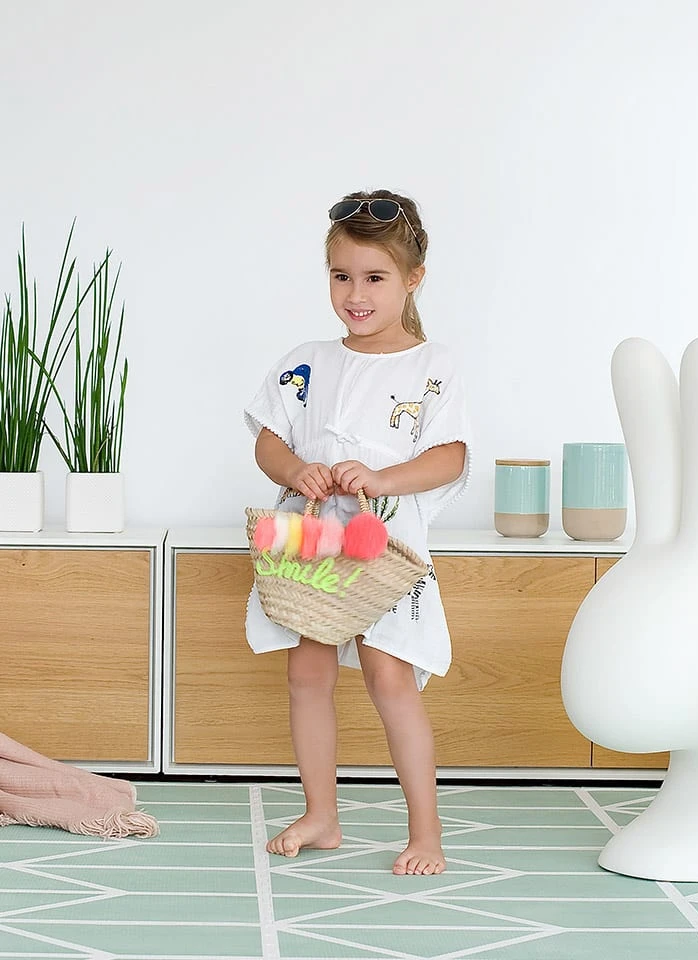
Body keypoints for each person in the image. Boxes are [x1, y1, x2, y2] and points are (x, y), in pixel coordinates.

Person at [244, 189, 472, 875]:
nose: (355, 294)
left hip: (384, 545)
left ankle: (426, 832)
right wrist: (299, 469)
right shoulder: (309, 360)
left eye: (374, 277)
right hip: (314, 537)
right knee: (306, 670)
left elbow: (450, 456)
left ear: (413, 278)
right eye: (341, 276)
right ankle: (322, 814)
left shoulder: (432, 366)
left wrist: (380, 477)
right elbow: (268, 440)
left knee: (388, 674)